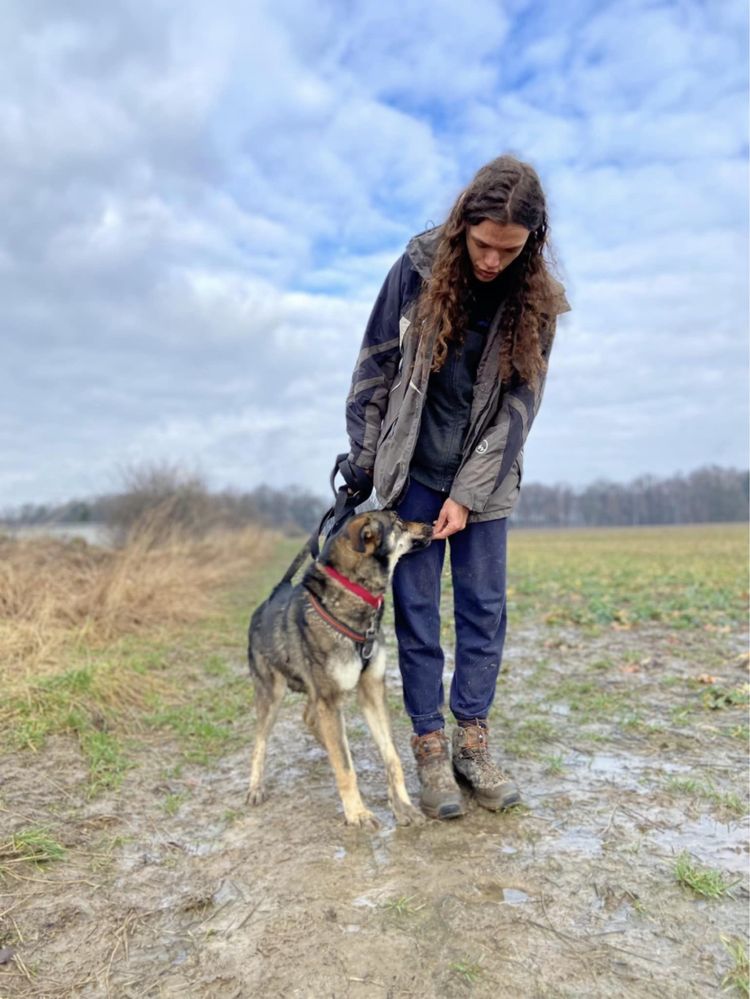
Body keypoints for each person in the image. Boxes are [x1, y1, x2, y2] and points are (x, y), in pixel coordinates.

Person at [339, 155, 570, 820]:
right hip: (411, 472)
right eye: (481, 245)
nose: (492, 261)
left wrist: (467, 494)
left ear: (533, 242)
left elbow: (520, 408)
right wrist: (366, 462)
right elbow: (371, 372)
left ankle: (472, 740)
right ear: (463, 224)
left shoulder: (539, 305)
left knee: (482, 610)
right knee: (415, 612)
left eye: (509, 249)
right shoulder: (414, 269)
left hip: (486, 480)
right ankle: (429, 746)